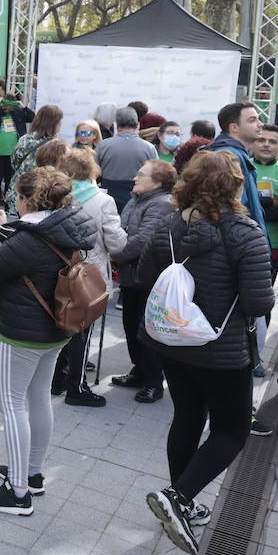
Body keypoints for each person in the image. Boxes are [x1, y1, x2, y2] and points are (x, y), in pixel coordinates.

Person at [140, 151, 274, 555]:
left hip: (170, 343)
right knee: (231, 430)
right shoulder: (247, 234)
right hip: (221, 349)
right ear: (235, 187)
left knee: (187, 416)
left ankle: (181, 499)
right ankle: (179, 498)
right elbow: (258, 303)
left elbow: (146, 276)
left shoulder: (168, 226)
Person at [0, 167, 97, 516]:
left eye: (17, 198)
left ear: (26, 199)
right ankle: (33, 473)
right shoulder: (67, 225)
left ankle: (17, 491)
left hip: (22, 334)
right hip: (58, 328)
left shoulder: (30, 240)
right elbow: (27, 255)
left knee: (11, 403)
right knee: (38, 397)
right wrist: (2, 229)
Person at [51, 149, 126, 406]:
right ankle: (76, 386)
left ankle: (57, 379)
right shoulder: (103, 201)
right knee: (82, 331)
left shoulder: (58, 197)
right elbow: (116, 242)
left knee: (63, 326)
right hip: (89, 275)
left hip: (59, 270)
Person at [109, 159, 177, 403]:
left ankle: (153, 380)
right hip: (130, 274)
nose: (135, 178)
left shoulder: (161, 204)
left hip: (147, 277)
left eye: (141, 175)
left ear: (158, 181)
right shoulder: (137, 198)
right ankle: (139, 369)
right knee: (130, 325)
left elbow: (143, 240)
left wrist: (113, 254)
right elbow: (120, 227)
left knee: (146, 328)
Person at [201, 101, 267, 231]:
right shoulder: (229, 157)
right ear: (234, 127)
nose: (261, 124)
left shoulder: (235, 154)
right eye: (252, 120)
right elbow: (231, 209)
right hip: (237, 241)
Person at [250, 123, 278, 284]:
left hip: (272, 243)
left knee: (263, 296)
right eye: (261, 140)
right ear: (253, 142)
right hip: (239, 240)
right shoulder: (240, 166)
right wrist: (271, 202)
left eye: (272, 141)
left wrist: (250, 206)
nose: (266, 144)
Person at [95, 107, 159, 211]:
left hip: (109, 199)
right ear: (137, 124)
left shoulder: (103, 146)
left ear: (116, 124)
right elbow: (156, 175)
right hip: (139, 199)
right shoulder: (149, 148)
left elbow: (94, 174)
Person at [0, 93, 34, 208]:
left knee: (10, 181)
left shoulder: (18, 113)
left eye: (8, 106)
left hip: (13, 154)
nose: (5, 108)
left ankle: (7, 203)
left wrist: (23, 107)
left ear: (13, 106)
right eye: (4, 105)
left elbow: (32, 117)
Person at [5, 105, 62, 211]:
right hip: (41, 195)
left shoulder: (24, 139)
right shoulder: (56, 145)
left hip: (18, 191)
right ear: (54, 124)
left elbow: (14, 162)